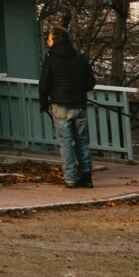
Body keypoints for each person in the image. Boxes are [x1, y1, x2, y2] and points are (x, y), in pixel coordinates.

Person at [38, 26, 98, 188]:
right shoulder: (80, 58)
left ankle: (70, 178)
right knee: (82, 141)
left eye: (49, 38)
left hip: (60, 106)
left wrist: (44, 103)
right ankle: (87, 177)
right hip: (79, 105)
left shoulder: (50, 59)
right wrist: (78, 90)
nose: (48, 41)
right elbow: (91, 82)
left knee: (65, 143)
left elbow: (44, 85)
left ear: (55, 39)